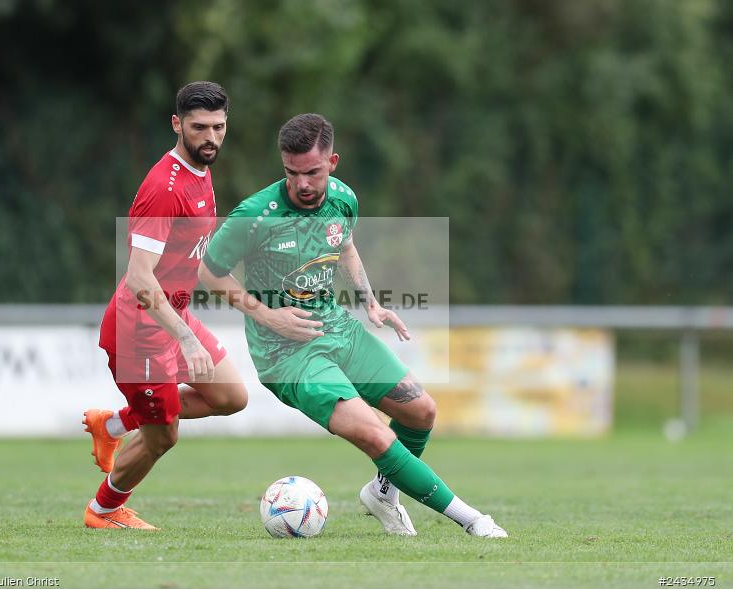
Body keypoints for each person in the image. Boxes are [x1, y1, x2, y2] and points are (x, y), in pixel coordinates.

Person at [198, 113, 507, 537]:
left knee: (420, 411)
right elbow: (209, 274)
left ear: (333, 162)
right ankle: (473, 522)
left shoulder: (344, 199)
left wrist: (371, 304)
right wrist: (267, 315)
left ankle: (383, 494)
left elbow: (343, 245)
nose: (302, 183)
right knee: (376, 437)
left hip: (338, 329)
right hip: (286, 356)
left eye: (312, 172)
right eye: (292, 173)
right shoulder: (254, 215)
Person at [82, 81, 248, 529]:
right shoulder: (164, 187)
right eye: (199, 128)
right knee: (162, 436)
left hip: (172, 315)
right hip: (140, 332)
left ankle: (114, 425)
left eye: (219, 127)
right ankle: (103, 511)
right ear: (177, 125)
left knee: (232, 396)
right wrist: (186, 337)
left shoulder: (202, 169)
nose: (210, 137)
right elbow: (139, 277)